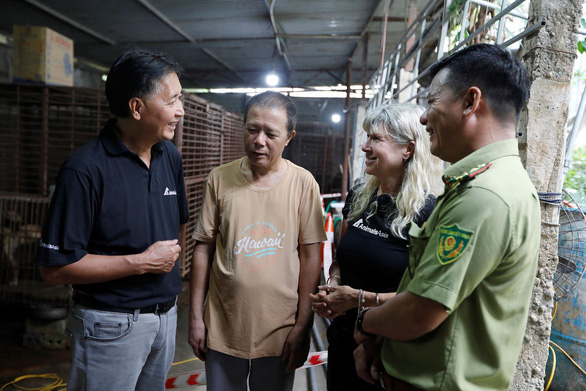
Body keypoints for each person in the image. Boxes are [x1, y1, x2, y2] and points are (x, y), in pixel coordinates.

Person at [353, 43, 541, 391]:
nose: (424, 118)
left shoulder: (484, 196)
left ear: (471, 102)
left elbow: (420, 312)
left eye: (432, 102)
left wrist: (366, 321)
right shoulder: (480, 184)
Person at [35, 49, 189, 391]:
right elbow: (54, 269)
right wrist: (140, 263)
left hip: (166, 319)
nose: (181, 110)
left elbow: (178, 225)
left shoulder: (170, 157)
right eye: (173, 100)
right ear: (136, 108)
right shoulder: (85, 169)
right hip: (110, 325)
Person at [188, 91, 326, 391]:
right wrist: (195, 317)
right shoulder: (219, 179)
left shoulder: (303, 184)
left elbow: (310, 257)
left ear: (289, 137)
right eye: (252, 129)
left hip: (279, 331)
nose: (259, 140)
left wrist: (302, 326)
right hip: (223, 327)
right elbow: (203, 248)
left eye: (270, 133)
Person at [310, 103, 443, 391]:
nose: (364, 147)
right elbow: (342, 258)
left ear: (407, 149)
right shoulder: (360, 195)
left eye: (375, 139)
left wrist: (357, 298)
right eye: (367, 137)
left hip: (390, 347)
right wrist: (333, 286)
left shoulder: (429, 212)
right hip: (344, 337)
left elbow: (426, 297)